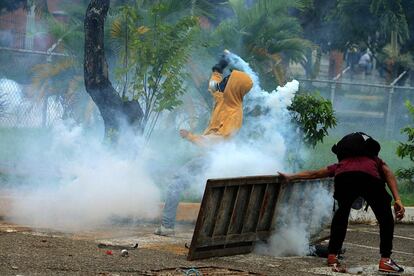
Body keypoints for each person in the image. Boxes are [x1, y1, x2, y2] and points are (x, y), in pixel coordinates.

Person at [155, 50, 253, 236]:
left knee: (177, 182)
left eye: (228, 79)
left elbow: (216, 143)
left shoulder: (234, 114)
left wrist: (191, 137)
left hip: (214, 158)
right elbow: (212, 86)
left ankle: (167, 227)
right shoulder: (225, 99)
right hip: (210, 158)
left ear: (233, 86)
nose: (224, 80)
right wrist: (219, 67)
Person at [278, 132, 405, 274]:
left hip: (344, 179)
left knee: (341, 215)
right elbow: (388, 173)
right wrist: (397, 199)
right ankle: (385, 260)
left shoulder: (341, 164)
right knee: (385, 218)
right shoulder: (374, 160)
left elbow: (314, 174)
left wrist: (291, 176)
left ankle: (332, 256)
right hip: (369, 179)